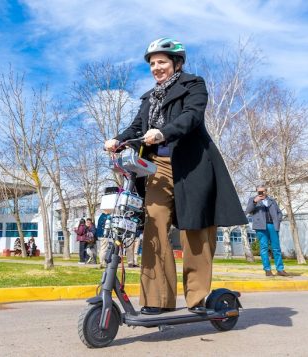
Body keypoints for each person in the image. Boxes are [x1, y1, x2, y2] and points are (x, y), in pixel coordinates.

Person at [104, 37, 247, 315]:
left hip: (192, 165)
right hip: (156, 168)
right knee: (154, 224)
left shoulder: (193, 85)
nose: (156, 67)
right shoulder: (149, 98)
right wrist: (117, 139)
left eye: (162, 62)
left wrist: (163, 132)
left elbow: (193, 116)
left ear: (176, 63)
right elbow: (135, 127)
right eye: (152, 63)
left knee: (196, 230)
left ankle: (199, 297)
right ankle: (157, 299)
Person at [246, 185, 288, 276]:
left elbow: (279, 212)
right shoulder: (253, 200)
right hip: (260, 226)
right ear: (257, 192)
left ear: (266, 191)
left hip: (273, 225)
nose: (261, 193)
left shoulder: (272, 201)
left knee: (276, 248)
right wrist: (254, 202)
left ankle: (280, 269)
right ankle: (267, 270)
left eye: (263, 191)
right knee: (264, 248)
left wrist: (278, 220)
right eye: (259, 191)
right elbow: (248, 211)